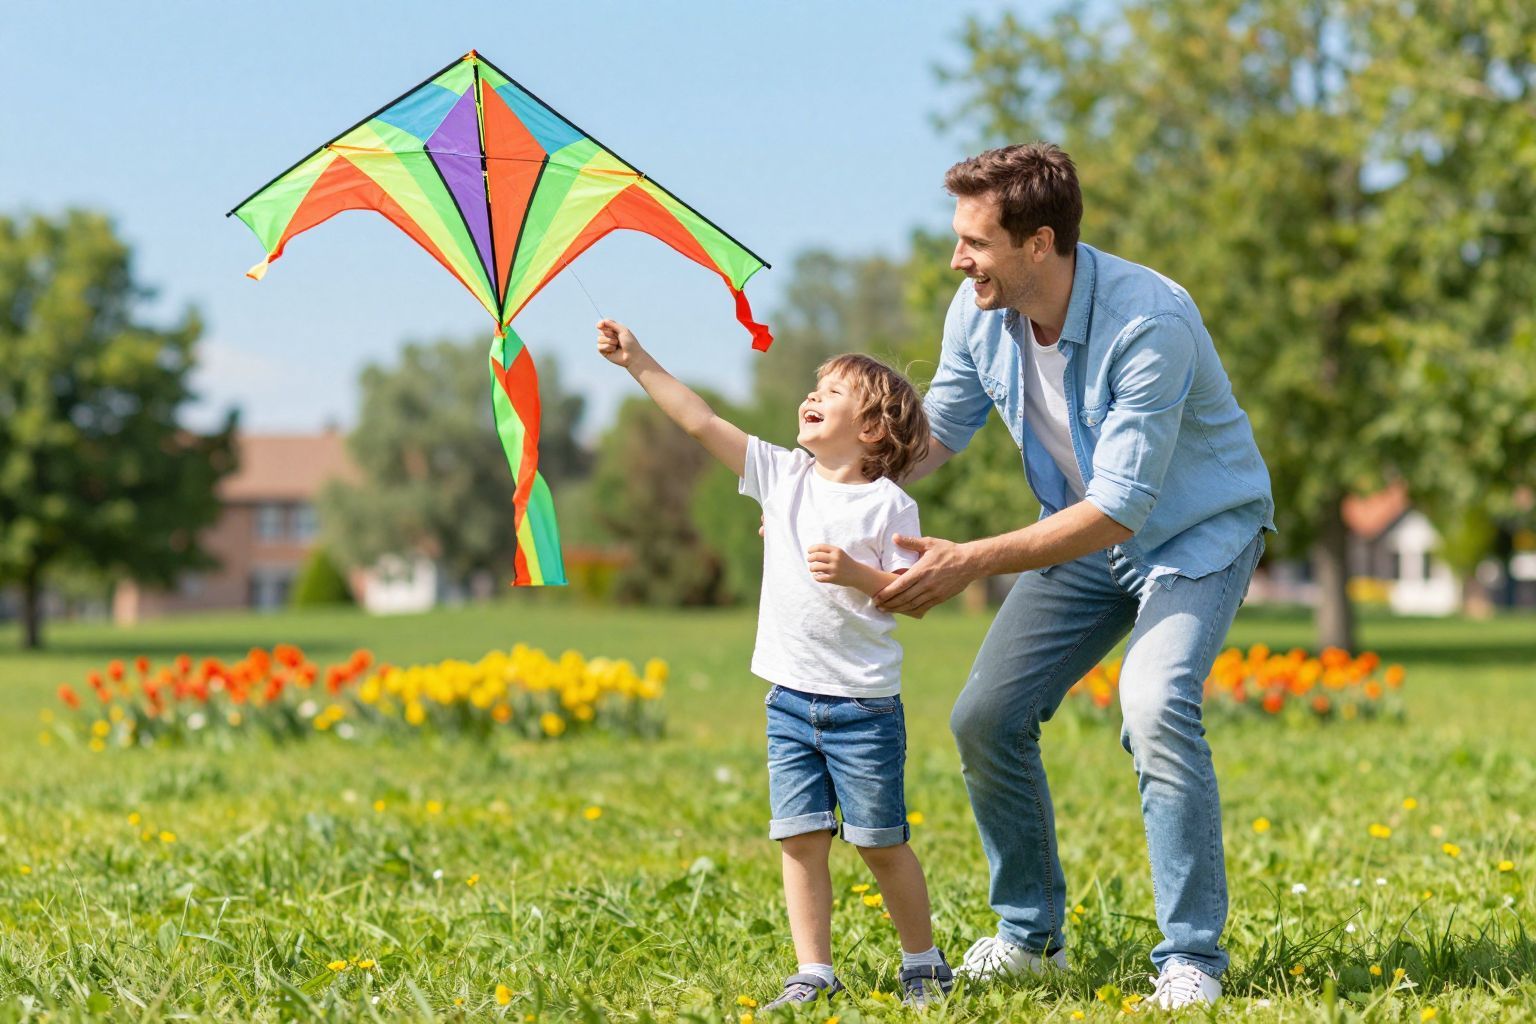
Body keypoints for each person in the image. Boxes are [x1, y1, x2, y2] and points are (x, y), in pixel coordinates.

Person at [880, 143, 1275, 1010]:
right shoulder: (978, 311)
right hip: (1084, 538)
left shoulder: (1149, 321)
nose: (957, 259)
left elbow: (1122, 508)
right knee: (985, 717)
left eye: (974, 243)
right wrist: (829, 493)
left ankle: (1192, 958)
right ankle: (1030, 938)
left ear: (1038, 243)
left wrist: (970, 560)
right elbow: (936, 433)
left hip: (1194, 536)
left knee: (1153, 704)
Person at [595, 320, 952, 1008]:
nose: (810, 397)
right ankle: (814, 970)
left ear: (873, 428)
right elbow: (699, 420)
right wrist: (637, 360)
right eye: (814, 387)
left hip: (862, 707)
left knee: (880, 844)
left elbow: (912, 599)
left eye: (833, 391)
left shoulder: (888, 504)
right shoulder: (783, 477)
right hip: (789, 701)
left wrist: (856, 573)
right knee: (799, 839)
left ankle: (923, 961)